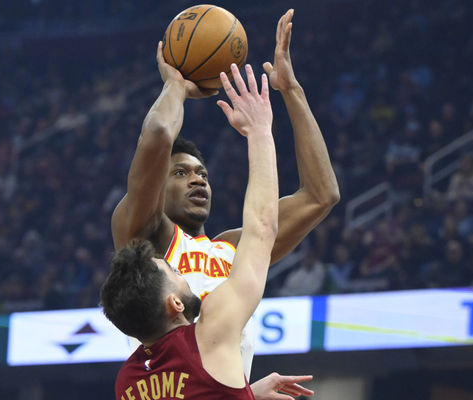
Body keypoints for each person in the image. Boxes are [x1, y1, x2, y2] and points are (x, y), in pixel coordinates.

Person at [111, 8, 337, 390]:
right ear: (155, 188)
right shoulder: (142, 239)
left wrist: (291, 91)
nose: (197, 178)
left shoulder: (229, 248)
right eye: (180, 173)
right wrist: (176, 85)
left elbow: (321, 195)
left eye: (202, 173)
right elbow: (159, 134)